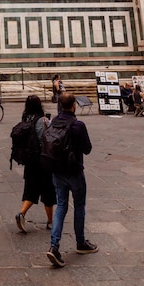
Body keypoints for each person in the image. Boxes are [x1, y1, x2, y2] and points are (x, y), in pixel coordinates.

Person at [47, 92, 98, 268]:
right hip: (74, 172)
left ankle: (54, 246)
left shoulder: (54, 121)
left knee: (61, 206)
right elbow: (88, 149)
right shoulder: (78, 125)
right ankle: (81, 242)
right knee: (79, 207)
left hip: (57, 171)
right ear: (74, 105)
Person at [15, 95, 56, 233]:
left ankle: (21, 214)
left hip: (30, 161)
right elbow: (50, 137)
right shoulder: (43, 120)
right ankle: (50, 222)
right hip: (43, 161)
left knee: (31, 190)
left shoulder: (25, 119)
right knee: (48, 191)